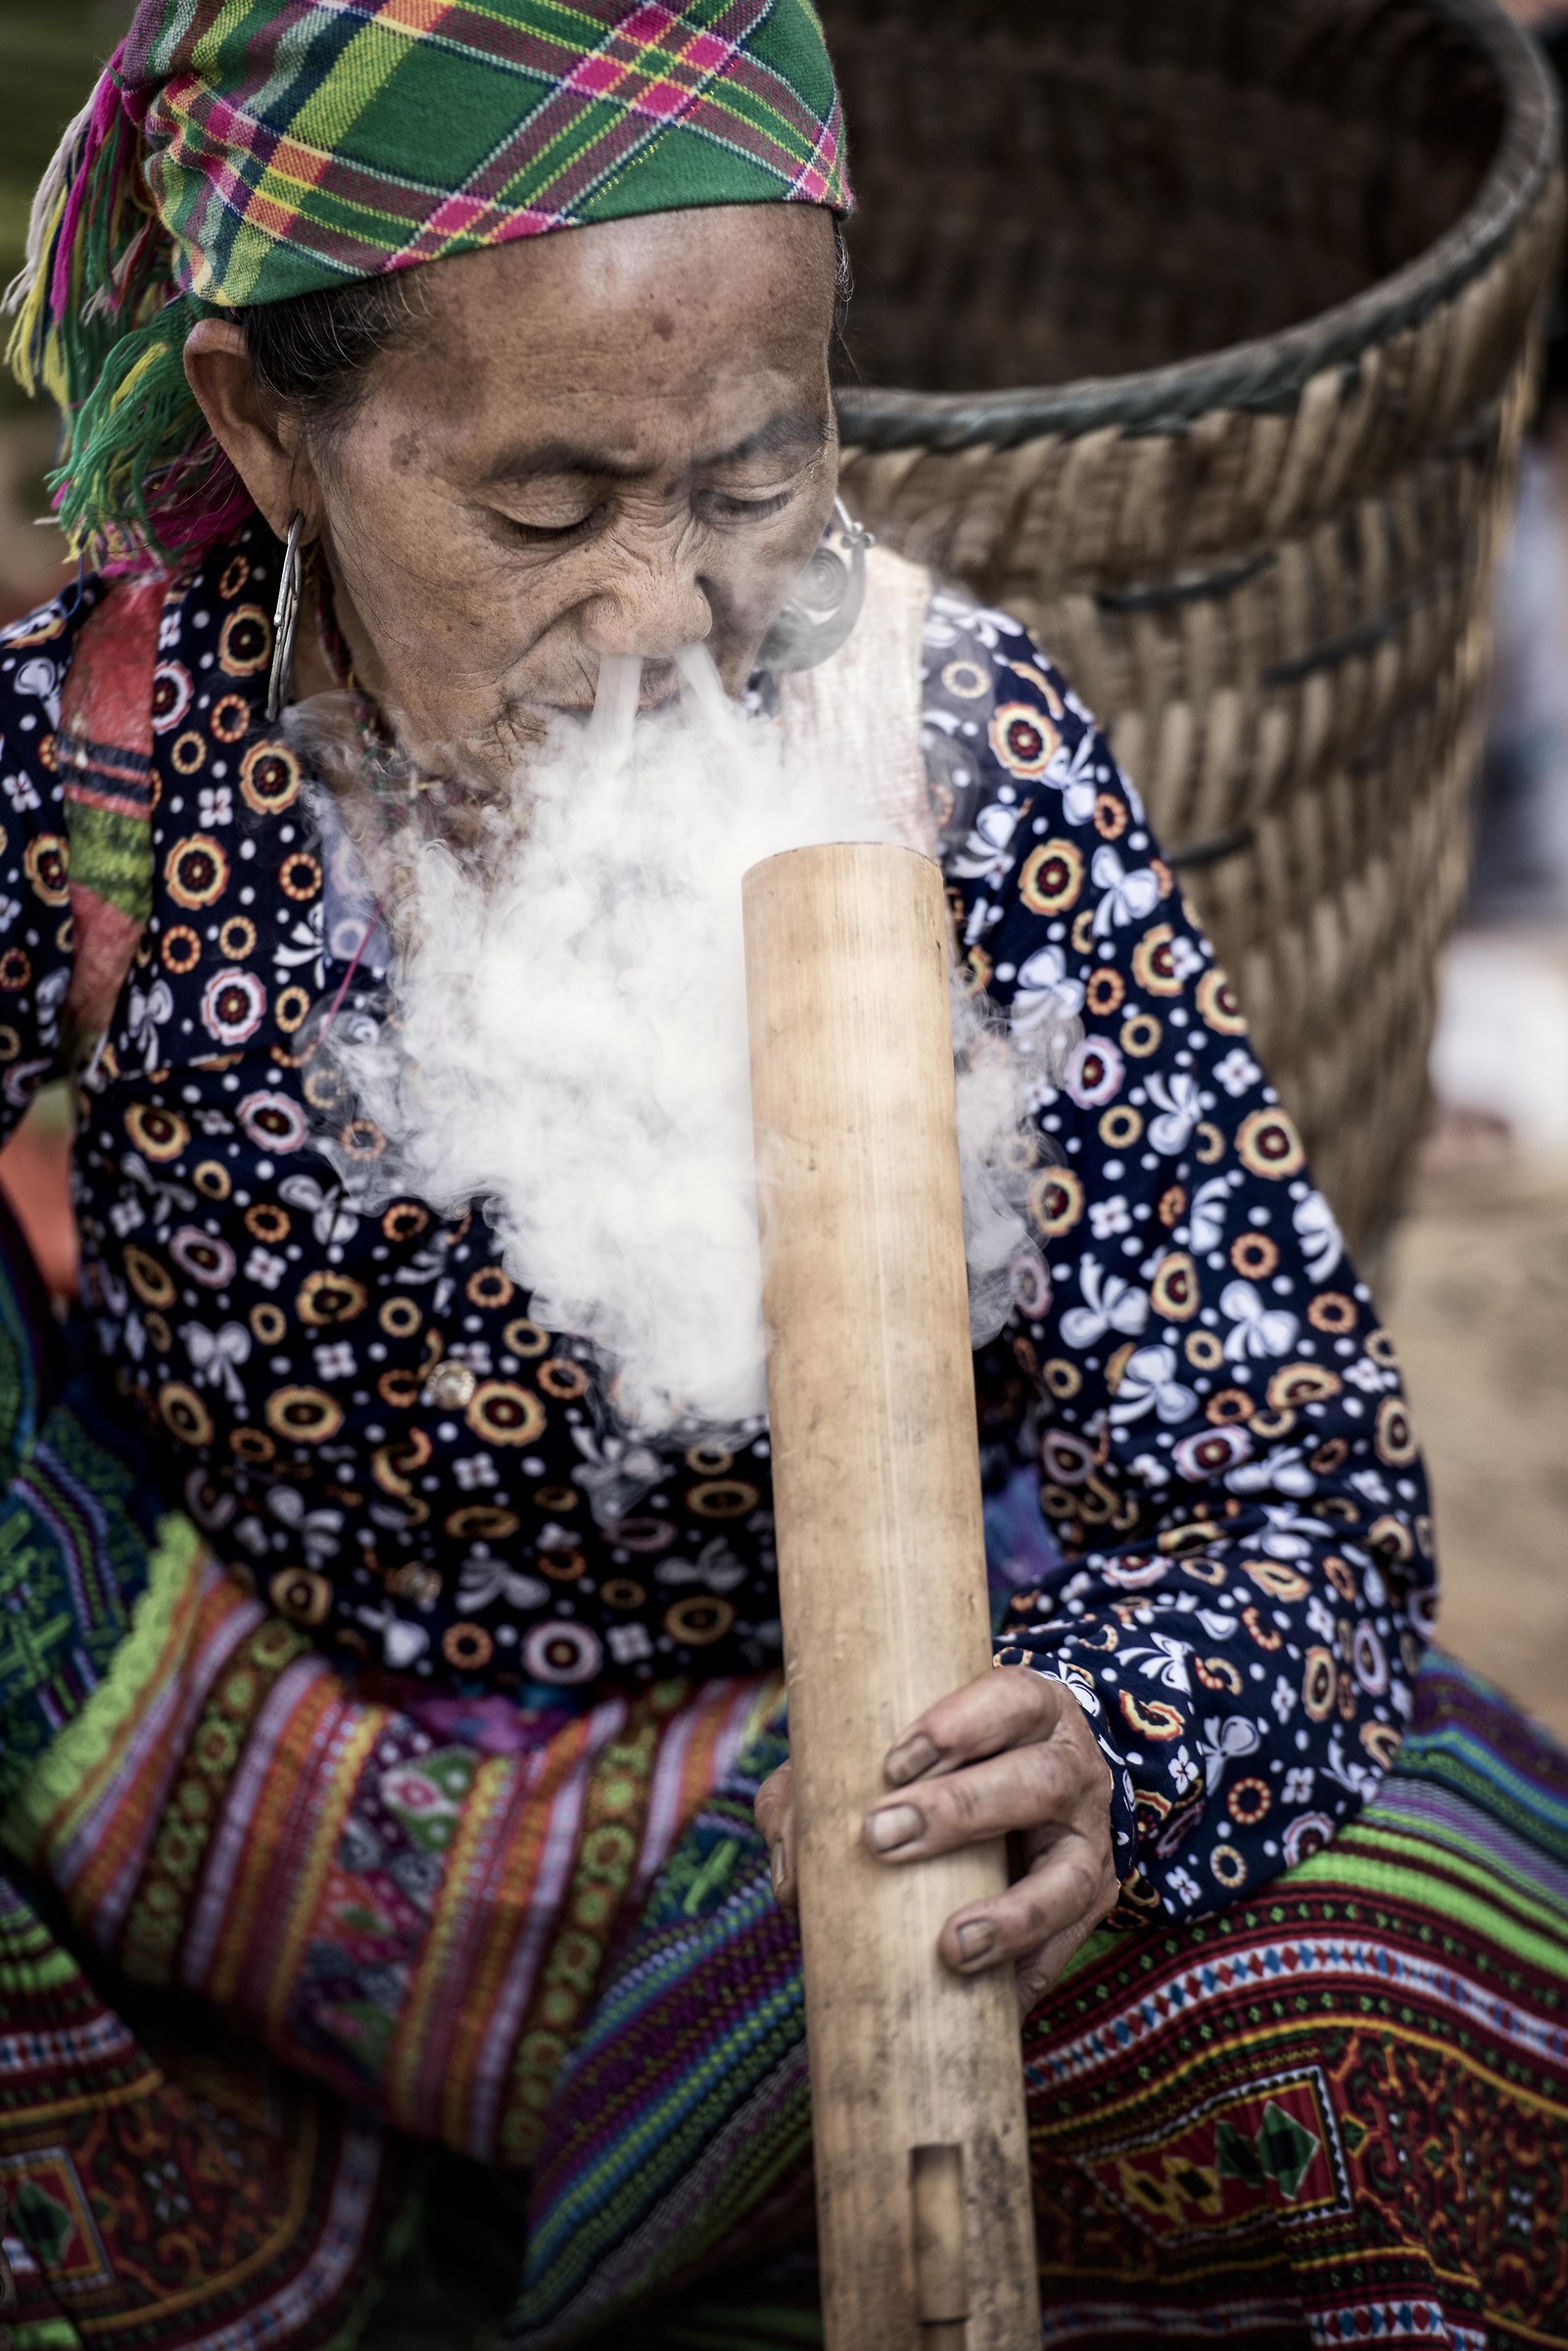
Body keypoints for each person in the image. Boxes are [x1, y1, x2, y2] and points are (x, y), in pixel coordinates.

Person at [0, 6, 1562, 2347]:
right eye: (542, 507)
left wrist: (1106, 1740)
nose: (661, 615)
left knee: (1399, 2041)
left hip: (836, 1822)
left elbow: (1305, 1502)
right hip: (248, 1816)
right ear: (265, 426)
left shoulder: (966, 757)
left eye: (755, 481)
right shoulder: (102, 758)